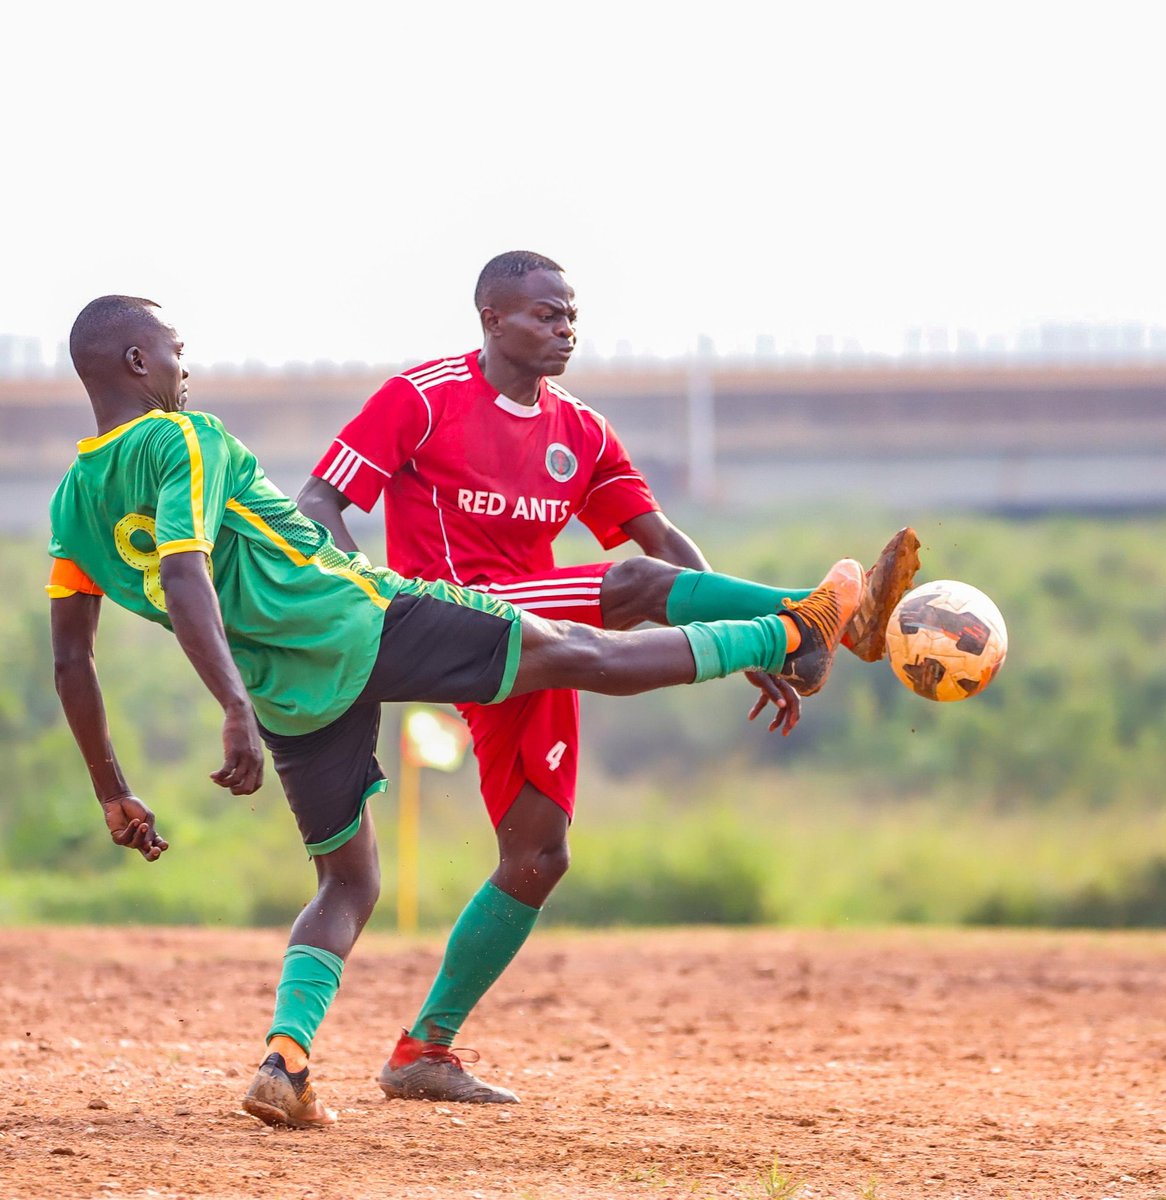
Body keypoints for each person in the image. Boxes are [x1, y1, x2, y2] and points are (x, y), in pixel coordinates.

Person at [49, 295, 878, 1129]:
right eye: (175, 349)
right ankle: (791, 626)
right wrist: (228, 702)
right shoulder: (185, 438)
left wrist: (113, 788)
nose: (185, 367)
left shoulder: (70, 508)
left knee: (350, 880)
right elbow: (192, 569)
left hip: (289, 691)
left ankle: (287, 1061)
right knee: (587, 650)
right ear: (136, 362)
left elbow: (72, 658)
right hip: (366, 620)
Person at [298, 251, 922, 1105]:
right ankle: (824, 617)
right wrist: (354, 595)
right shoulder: (421, 397)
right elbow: (319, 502)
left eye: (571, 315)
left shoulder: (581, 431)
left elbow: (660, 539)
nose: (565, 329)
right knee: (626, 587)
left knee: (538, 854)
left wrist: (741, 643)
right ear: (492, 318)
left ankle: (423, 1051)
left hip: (536, 639)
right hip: (449, 616)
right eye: (546, 314)